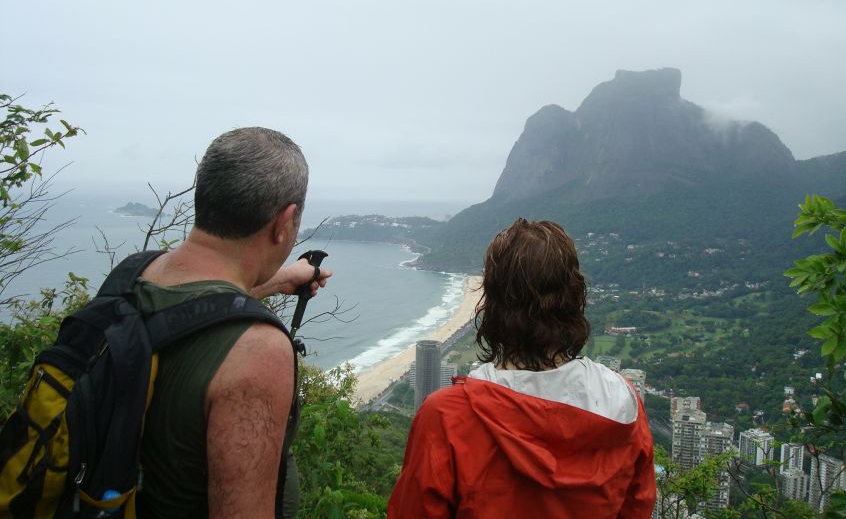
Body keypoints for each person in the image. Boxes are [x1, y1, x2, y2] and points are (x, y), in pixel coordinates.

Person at [388, 219, 656, 518]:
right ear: (574, 298)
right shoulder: (623, 402)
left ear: (492, 303)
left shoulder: (449, 416)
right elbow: (637, 508)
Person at [134, 127, 332, 518]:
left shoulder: (137, 275)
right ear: (285, 222)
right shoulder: (259, 352)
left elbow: (189, 311)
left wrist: (274, 282)